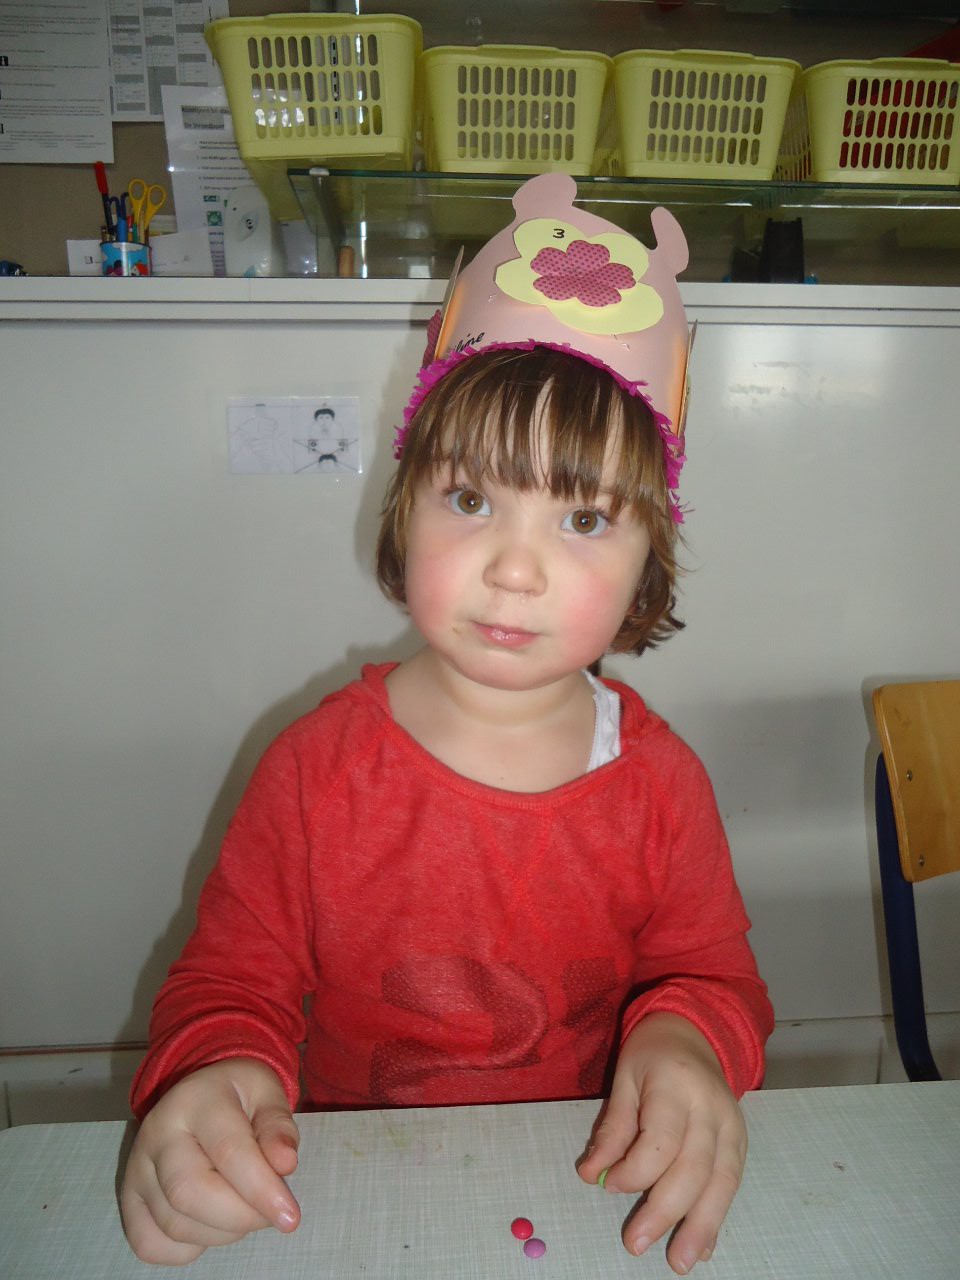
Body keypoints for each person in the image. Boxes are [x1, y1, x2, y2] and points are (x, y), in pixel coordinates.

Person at [120, 173, 773, 1273]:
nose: (515, 568)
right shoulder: (314, 771)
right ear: (405, 508)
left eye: (582, 519)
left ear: (647, 565)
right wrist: (215, 1074)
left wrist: (686, 1039)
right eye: (471, 500)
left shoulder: (663, 787)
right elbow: (231, 984)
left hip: (587, 1191)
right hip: (348, 1194)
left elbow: (718, 982)